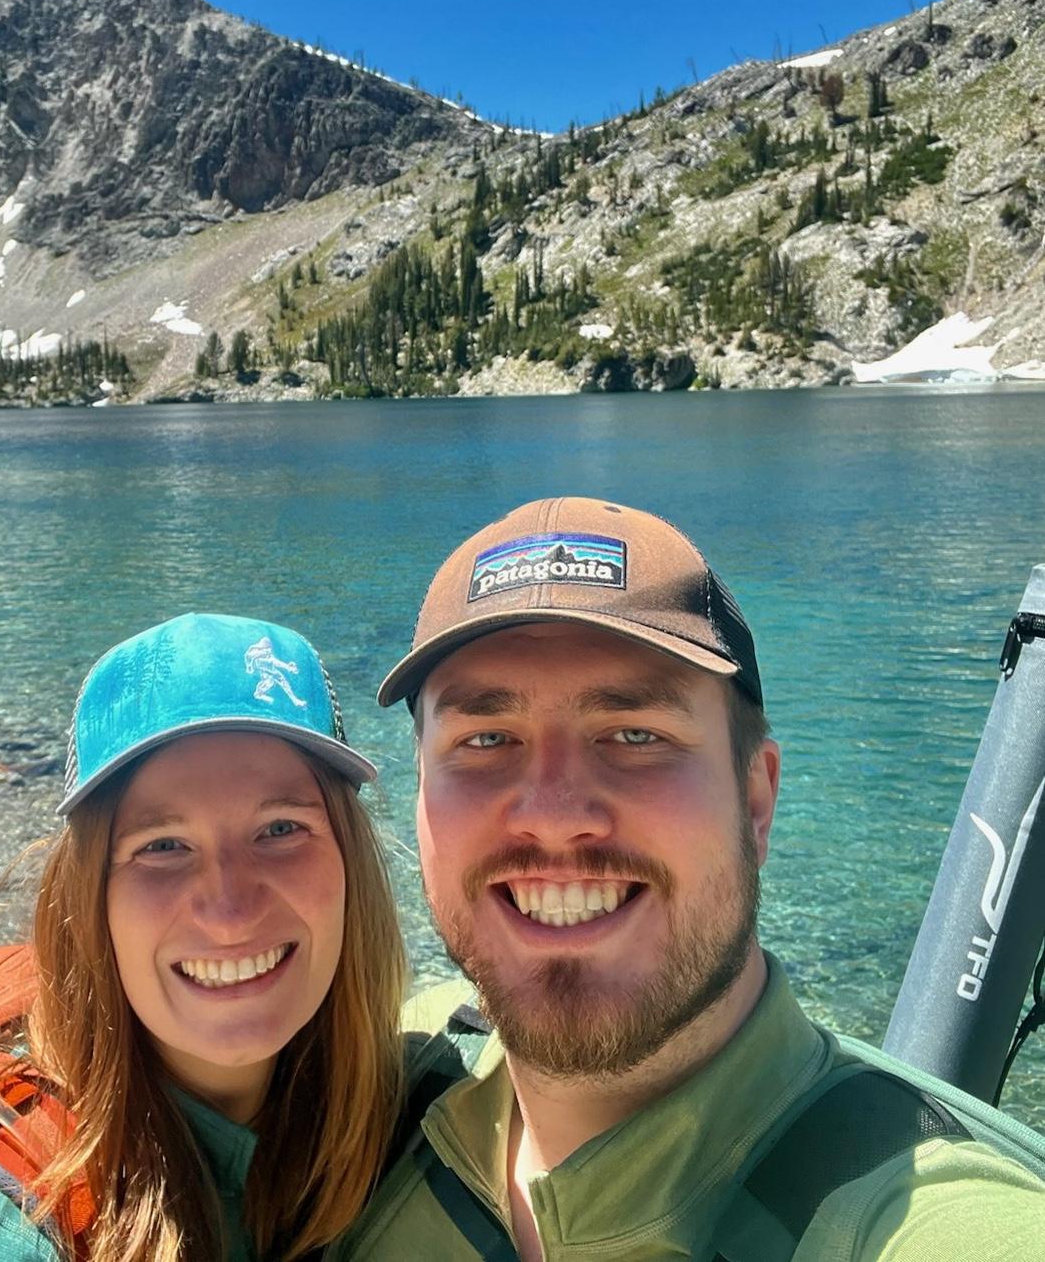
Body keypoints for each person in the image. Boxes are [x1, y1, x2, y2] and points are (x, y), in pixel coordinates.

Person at [328, 496, 1045, 1261]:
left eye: (636, 734)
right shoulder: (382, 1081)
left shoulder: (915, 1225)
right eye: (486, 739)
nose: (554, 816)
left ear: (757, 800)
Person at [0, 612, 407, 1262]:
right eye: (163, 845)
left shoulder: (387, 1106)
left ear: (349, 858)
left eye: (281, 829)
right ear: (91, 897)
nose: (230, 912)